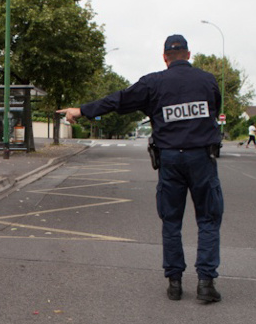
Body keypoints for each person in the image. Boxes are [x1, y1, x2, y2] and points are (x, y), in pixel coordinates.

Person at [58, 34, 224, 303]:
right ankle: (206, 283)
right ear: (189, 55)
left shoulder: (154, 83)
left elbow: (119, 100)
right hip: (202, 159)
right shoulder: (207, 80)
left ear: (165, 57)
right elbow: (214, 110)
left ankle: (174, 283)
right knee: (208, 220)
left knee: (171, 221)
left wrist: (82, 110)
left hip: (170, 160)